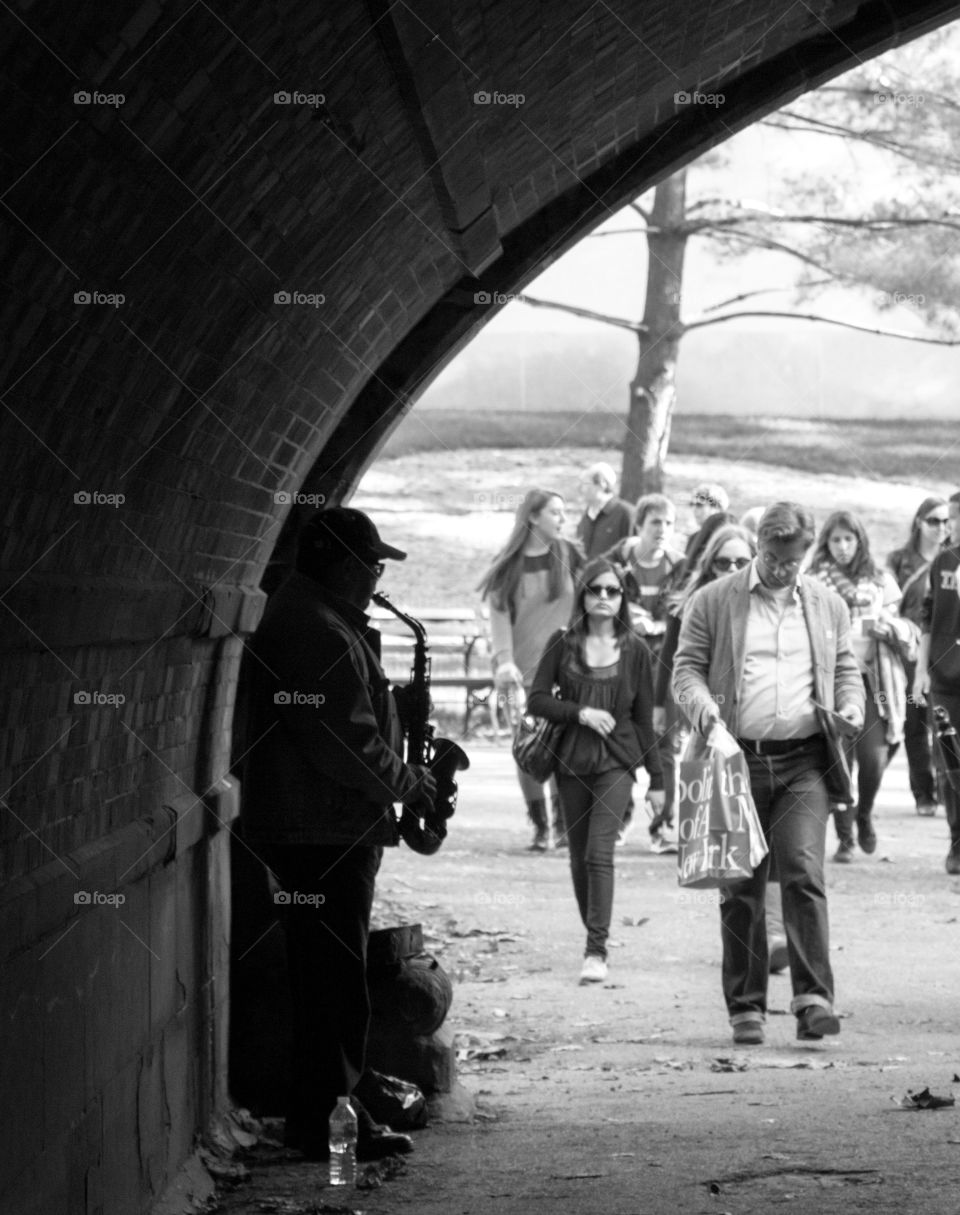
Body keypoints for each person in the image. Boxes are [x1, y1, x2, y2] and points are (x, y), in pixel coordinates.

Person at [239, 506, 436, 1161]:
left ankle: (320, 1117)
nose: (378, 575)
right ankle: (332, 1124)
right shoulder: (317, 629)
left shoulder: (315, 620)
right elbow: (343, 743)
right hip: (323, 833)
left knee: (327, 978)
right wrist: (409, 783)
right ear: (346, 565)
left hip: (319, 828)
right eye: (373, 563)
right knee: (334, 982)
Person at [673, 501, 864, 1046]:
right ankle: (746, 1007)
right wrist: (704, 709)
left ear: (806, 553)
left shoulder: (827, 603)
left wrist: (851, 707)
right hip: (735, 758)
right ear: (760, 546)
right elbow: (686, 668)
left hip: (805, 759)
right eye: (774, 559)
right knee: (741, 886)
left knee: (803, 870)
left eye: (792, 561)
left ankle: (813, 1000)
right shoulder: (714, 599)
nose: (782, 570)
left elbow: (845, 668)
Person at [527, 559, 665, 983]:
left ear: (624, 598)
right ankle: (595, 933)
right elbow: (536, 700)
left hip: (617, 763)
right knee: (577, 857)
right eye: (595, 590)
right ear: (583, 595)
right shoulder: (562, 642)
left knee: (598, 853)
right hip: (570, 760)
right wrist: (581, 712)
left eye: (613, 591)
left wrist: (658, 781)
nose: (604, 597)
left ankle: (596, 950)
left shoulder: (637, 651)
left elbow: (644, 721)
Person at [478, 488, 583, 851]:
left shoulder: (570, 555)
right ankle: (540, 825)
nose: (563, 519)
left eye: (564, 511)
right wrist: (504, 661)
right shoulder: (507, 567)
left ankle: (565, 824)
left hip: (566, 672)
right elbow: (499, 619)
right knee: (528, 748)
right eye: (555, 512)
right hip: (519, 675)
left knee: (564, 747)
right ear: (533, 517)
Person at [809, 510, 914, 861]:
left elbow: (905, 626)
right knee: (838, 759)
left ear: (860, 541)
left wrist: (889, 627)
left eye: (848, 539)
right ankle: (845, 837)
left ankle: (864, 813)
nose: (842, 546)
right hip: (831, 680)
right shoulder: (813, 580)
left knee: (873, 757)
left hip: (874, 680)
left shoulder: (880, 579)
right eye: (835, 539)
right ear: (826, 543)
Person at [603, 493, 684, 847]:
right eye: (656, 523)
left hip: (665, 666)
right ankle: (617, 820)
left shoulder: (681, 567)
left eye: (669, 523)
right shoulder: (616, 565)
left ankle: (661, 828)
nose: (662, 530)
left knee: (663, 744)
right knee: (621, 739)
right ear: (639, 526)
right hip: (622, 664)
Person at [887, 496, 950, 816]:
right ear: (919, 523)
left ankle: (945, 785)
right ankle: (923, 792)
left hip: (943, 648)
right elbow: (887, 603)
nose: (941, 527)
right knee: (914, 723)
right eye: (933, 521)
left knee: (943, 721)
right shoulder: (900, 560)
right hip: (907, 649)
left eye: (945, 521)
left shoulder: (951, 558)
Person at [914, 489, 960, 873]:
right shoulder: (943, 561)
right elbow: (928, 615)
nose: (952, 527)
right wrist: (920, 672)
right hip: (946, 677)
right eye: (951, 519)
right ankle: (956, 840)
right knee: (950, 761)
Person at [576, 461, 634, 559]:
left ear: (602, 484)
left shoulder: (626, 513)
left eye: (585, 484)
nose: (580, 488)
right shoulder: (587, 515)